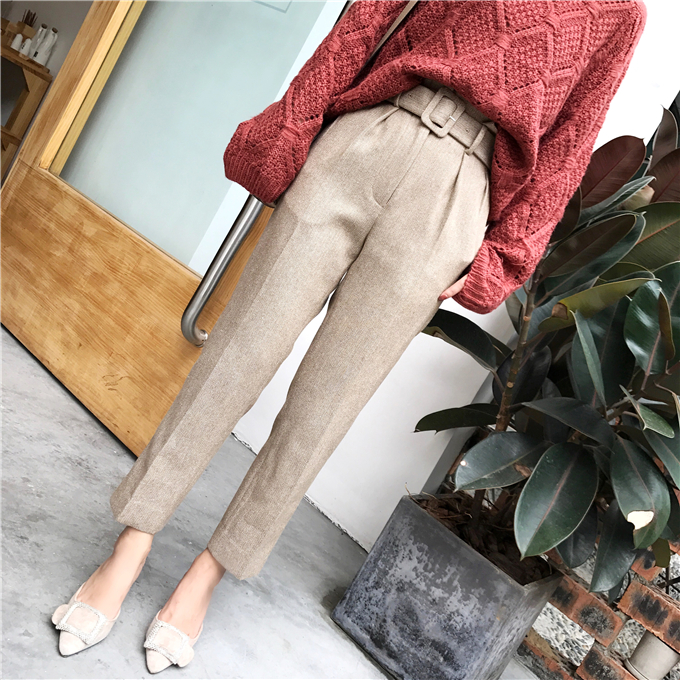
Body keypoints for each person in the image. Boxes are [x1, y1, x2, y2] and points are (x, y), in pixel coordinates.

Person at [51, 0, 646, 673]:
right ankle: (131, 545)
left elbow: (569, 146)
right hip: (369, 135)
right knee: (237, 354)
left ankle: (207, 575)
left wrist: (502, 259)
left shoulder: (621, 13)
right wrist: (297, 122)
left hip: (458, 193)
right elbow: (364, 18)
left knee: (324, 407)